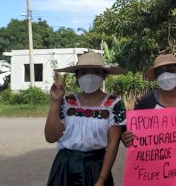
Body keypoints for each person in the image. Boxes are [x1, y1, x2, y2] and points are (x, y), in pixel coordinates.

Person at [44, 51, 127, 186]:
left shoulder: (114, 103)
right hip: (64, 167)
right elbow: (50, 137)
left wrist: (101, 179)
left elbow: (113, 145)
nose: (90, 77)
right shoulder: (66, 102)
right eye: (84, 72)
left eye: (95, 72)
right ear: (76, 76)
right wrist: (55, 101)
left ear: (104, 76)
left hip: (96, 167)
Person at [121, 53, 176, 147]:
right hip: (157, 160)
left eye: (170, 70)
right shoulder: (146, 103)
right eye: (160, 72)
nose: (165, 75)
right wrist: (125, 137)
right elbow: (129, 132)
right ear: (156, 78)